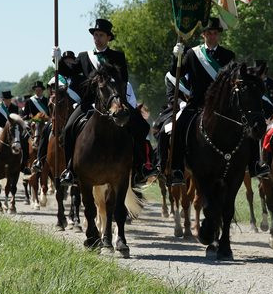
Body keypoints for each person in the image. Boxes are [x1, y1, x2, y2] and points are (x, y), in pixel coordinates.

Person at [56, 18, 153, 188]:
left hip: (114, 101)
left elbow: (123, 80)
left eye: (101, 35)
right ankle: (70, 170)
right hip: (89, 104)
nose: (97, 38)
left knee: (142, 126)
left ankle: (139, 168)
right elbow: (69, 71)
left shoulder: (117, 56)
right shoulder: (84, 57)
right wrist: (57, 60)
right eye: (95, 35)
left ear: (108, 37)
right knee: (69, 128)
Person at [166, 16, 235, 186]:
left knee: (245, 124)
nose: (212, 36)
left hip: (222, 106)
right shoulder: (192, 54)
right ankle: (177, 170)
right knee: (179, 126)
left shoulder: (228, 55)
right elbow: (176, 74)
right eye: (209, 33)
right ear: (203, 35)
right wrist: (177, 57)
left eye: (215, 33)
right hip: (197, 104)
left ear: (218, 35)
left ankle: (254, 164)